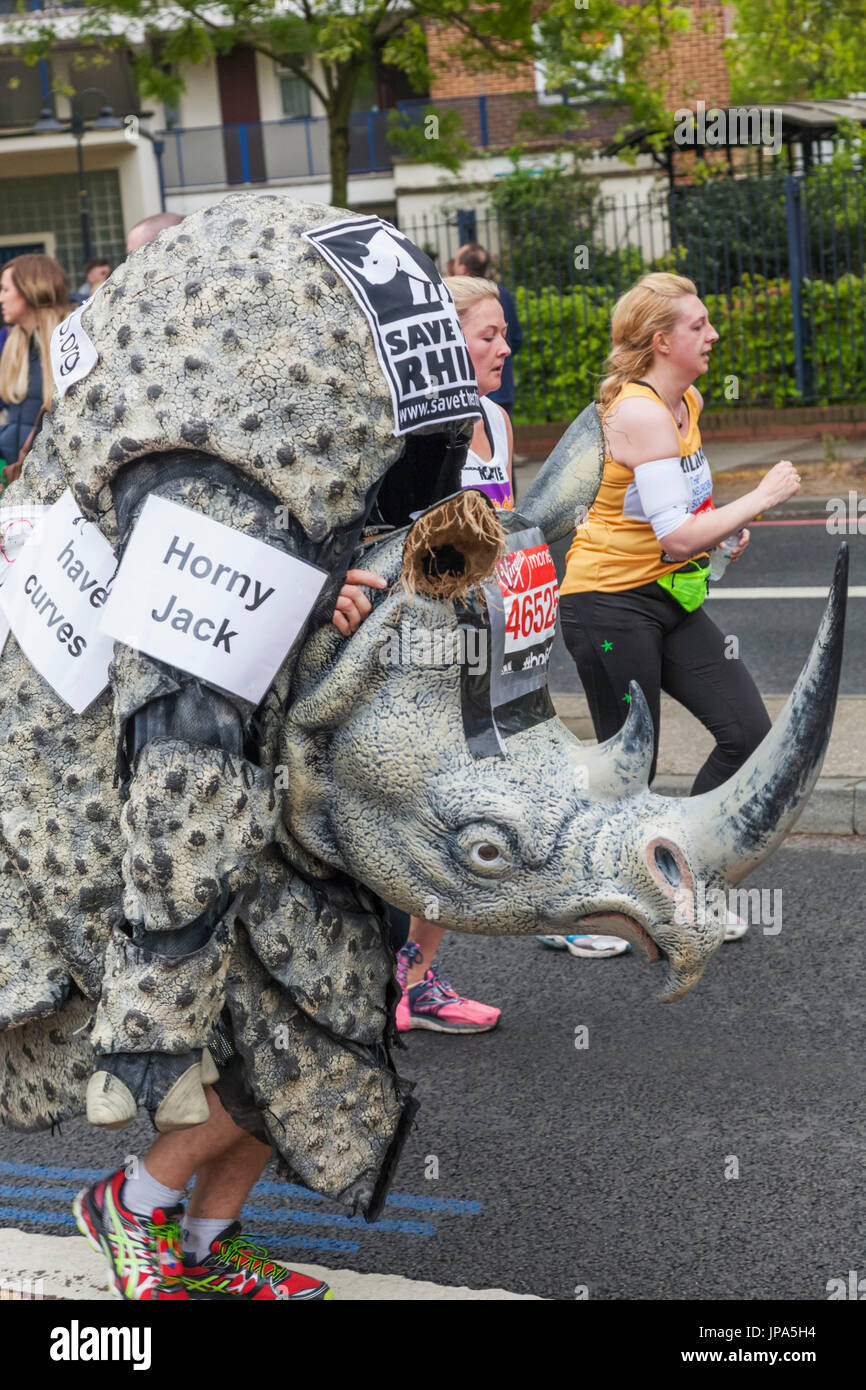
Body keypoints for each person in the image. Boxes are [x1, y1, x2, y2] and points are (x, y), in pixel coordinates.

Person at [556, 271, 801, 946]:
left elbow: (684, 514)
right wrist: (760, 498)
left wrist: (724, 525)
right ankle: (592, 915)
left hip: (666, 599)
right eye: (699, 326)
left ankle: (681, 882)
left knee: (747, 733)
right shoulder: (638, 409)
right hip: (606, 605)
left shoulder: (686, 399)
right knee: (628, 768)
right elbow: (676, 535)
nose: (713, 333)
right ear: (663, 341)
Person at [0, 253, 71, 481]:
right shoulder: (16, 343)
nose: (1, 298)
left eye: (5, 289)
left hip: (55, 483)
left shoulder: (68, 345)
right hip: (21, 479)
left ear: (31, 290)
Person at [452, 242, 523, 420]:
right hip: (504, 392)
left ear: (462, 268)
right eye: (488, 337)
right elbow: (517, 339)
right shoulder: (504, 294)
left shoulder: (500, 420)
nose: (504, 349)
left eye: (502, 335)